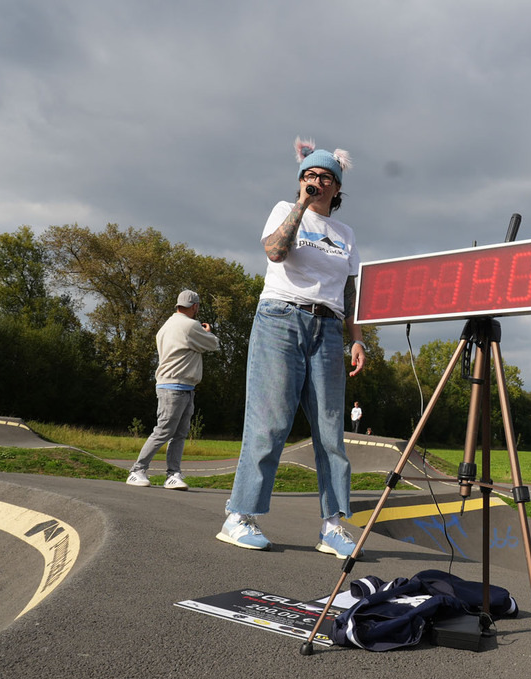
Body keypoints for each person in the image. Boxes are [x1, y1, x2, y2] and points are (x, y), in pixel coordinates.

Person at [217, 137, 368, 558]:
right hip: (281, 319)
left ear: (337, 187)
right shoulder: (285, 210)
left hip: (328, 328)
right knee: (270, 422)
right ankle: (239, 516)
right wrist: (301, 205)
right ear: (301, 180)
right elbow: (275, 252)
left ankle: (333, 527)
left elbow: (351, 292)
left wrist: (357, 338)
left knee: (331, 431)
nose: (316, 181)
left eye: (324, 177)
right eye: (309, 175)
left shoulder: (346, 234)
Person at [126, 289, 219, 490]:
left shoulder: (166, 326)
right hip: (175, 385)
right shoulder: (190, 326)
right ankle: (137, 470)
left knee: (178, 433)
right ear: (195, 306)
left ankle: (173, 474)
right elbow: (213, 344)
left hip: (180, 385)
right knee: (165, 431)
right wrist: (207, 333)